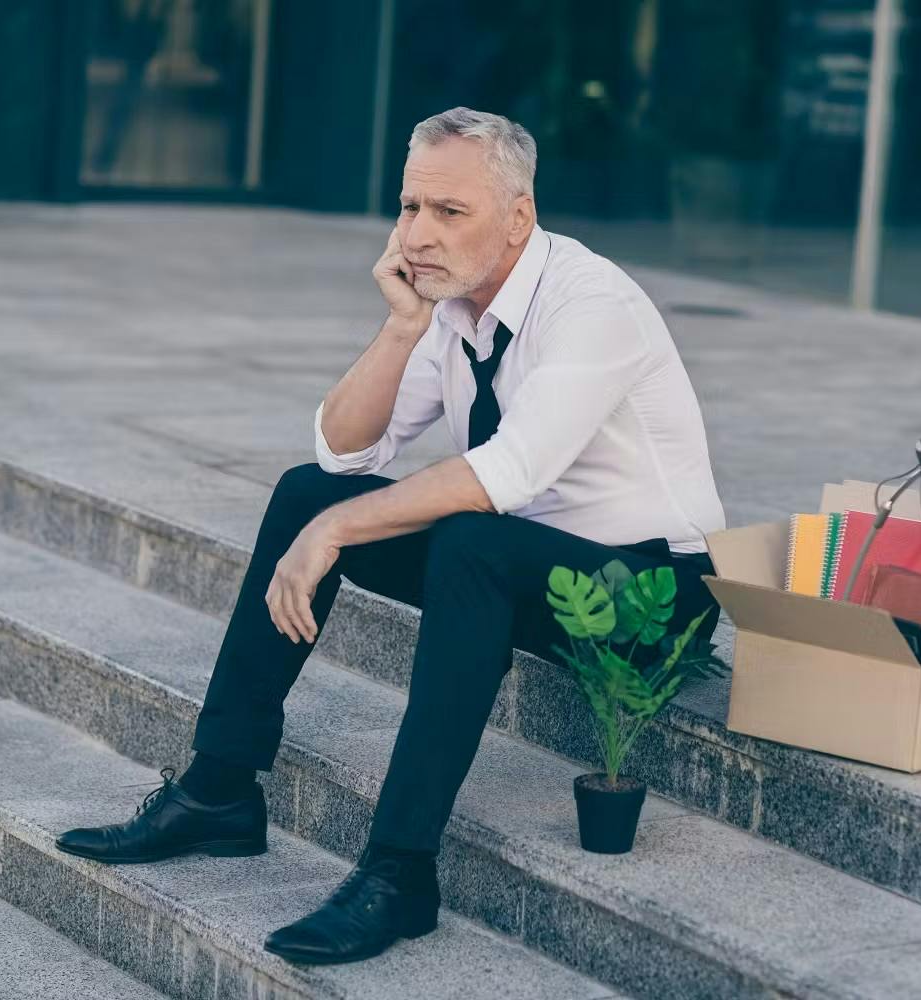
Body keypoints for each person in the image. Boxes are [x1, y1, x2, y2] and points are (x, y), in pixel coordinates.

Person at [54, 106, 727, 966]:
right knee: (309, 495)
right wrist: (404, 327)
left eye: (450, 212)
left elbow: (502, 475)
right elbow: (342, 448)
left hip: (650, 600)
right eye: (409, 208)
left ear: (517, 215)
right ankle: (219, 786)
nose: (418, 234)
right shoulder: (450, 309)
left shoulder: (592, 305)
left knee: (465, 540)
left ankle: (400, 871)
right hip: (529, 570)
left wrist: (339, 529)